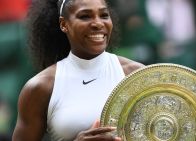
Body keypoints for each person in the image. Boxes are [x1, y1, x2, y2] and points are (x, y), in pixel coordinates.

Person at [12, 0, 144, 140]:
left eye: (104, 15)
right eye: (85, 16)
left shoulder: (137, 75)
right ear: (64, 24)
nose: (98, 23)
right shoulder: (40, 87)